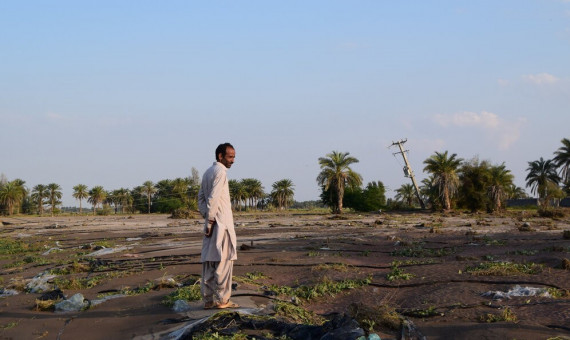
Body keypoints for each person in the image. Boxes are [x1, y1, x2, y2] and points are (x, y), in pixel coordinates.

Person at [198, 142, 239, 309]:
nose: (233, 160)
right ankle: (223, 300)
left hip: (212, 223)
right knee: (223, 262)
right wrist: (210, 220)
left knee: (209, 262)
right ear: (220, 156)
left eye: (234, 157)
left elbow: (201, 199)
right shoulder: (221, 172)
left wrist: (207, 217)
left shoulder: (208, 172)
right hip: (221, 225)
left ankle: (208, 301)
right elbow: (212, 198)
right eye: (230, 157)